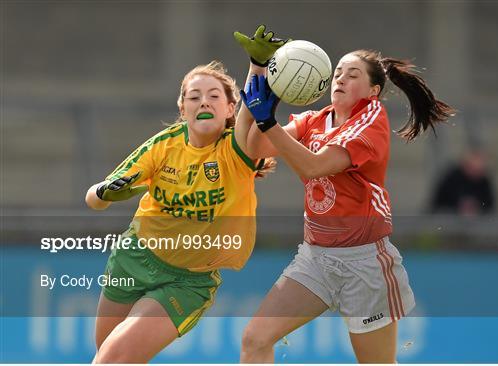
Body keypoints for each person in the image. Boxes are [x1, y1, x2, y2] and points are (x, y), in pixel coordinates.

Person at [234, 25, 455, 363]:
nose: (339, 78)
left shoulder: (371, 121)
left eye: (352, 74)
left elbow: (313, 166)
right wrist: (261, 75)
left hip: (365, 264)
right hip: (316, 258)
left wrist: (268, 123)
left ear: (373, 90)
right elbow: (255, 149)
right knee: (254, 340)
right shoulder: (315, 119)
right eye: (337, 72)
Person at [85, 61, 274, 363]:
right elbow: (93, 199)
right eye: (194, 96)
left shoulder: (236, 150)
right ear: (183, 109)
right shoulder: (164, 146)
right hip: (134, 258)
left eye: (214, 96)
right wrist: (105, 193)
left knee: (112, 359)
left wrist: (258, 65)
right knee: (108, 356)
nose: (204, 102)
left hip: (187, 282)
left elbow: (251, 110)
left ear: (229, 109)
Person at [430, 149, 495, 215]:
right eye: (472, 168)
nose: (475, 173)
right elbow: (438, 205)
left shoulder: (484, 182)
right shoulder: (452, 178)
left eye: (479, 170)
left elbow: (489, 206)